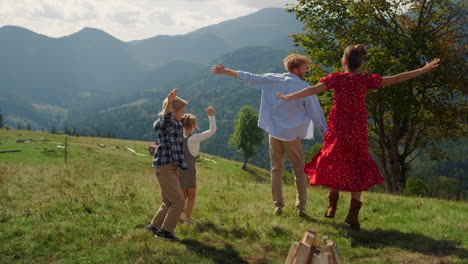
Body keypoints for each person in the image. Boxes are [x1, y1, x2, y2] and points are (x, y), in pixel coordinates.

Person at [276, 44, 440, 230]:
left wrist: (291, 97)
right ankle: (352, 216)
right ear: (360, 63)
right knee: (358, 164)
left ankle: (332, 205)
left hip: (339, 128)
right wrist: (422, 70)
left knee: (334, 160)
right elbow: (395, 79)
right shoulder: (365, 80)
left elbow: (313, 89)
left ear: (344, 62)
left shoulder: (337, 79)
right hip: (358, 130)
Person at [211, 54, 327, 217]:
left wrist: (226, 71)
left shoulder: (274, 79)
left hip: (274, 132)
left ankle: (278, 205)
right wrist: (326, 134)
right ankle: (301, 207)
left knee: (276, 170)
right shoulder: (304, 87)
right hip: (292, 135)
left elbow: (250, 77)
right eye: (305, 67)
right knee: (299, 170)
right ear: (296, 68)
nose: (307, 70)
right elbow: (316, 113)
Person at [147, 88, 188, 241]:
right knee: (178, 201)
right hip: (166, 167)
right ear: (173, 110)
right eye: (181, 111)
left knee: (168, 201)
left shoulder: (176, 124)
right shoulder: (166, 124)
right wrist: (170, 103)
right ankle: (165, 232)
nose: (183, 114)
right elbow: (167, 118)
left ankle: (155, 226)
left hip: (168, 167)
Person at [179, 106, 217, 224]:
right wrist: (211, 116)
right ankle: (187, 219)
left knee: (183, 195)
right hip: (190, 171)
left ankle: (176, 216)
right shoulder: (194, 138)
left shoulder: (179, 138)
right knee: (192, 195)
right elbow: (212, 131)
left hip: (179, 171)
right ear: (194, 125)